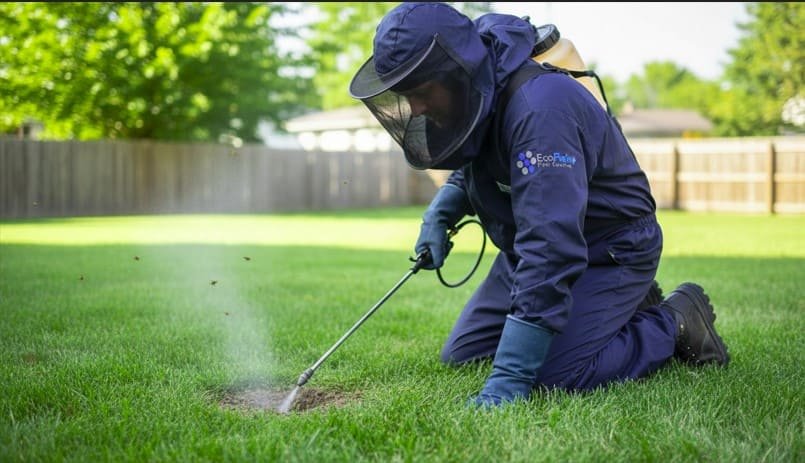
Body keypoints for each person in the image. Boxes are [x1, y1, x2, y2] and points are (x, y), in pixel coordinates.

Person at [349, 2, 729, 408]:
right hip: (528, 246)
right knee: (466, 353)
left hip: (608, 249)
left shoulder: (541, 109)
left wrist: (511, 378)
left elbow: (551, 249)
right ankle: (625, 306)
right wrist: (441, 213)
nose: (417, 107)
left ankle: (673, 320)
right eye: (408, 95)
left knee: (553, 375)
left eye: (422, 92)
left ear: (454, 69)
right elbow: (477, 156)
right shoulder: (481, 90)